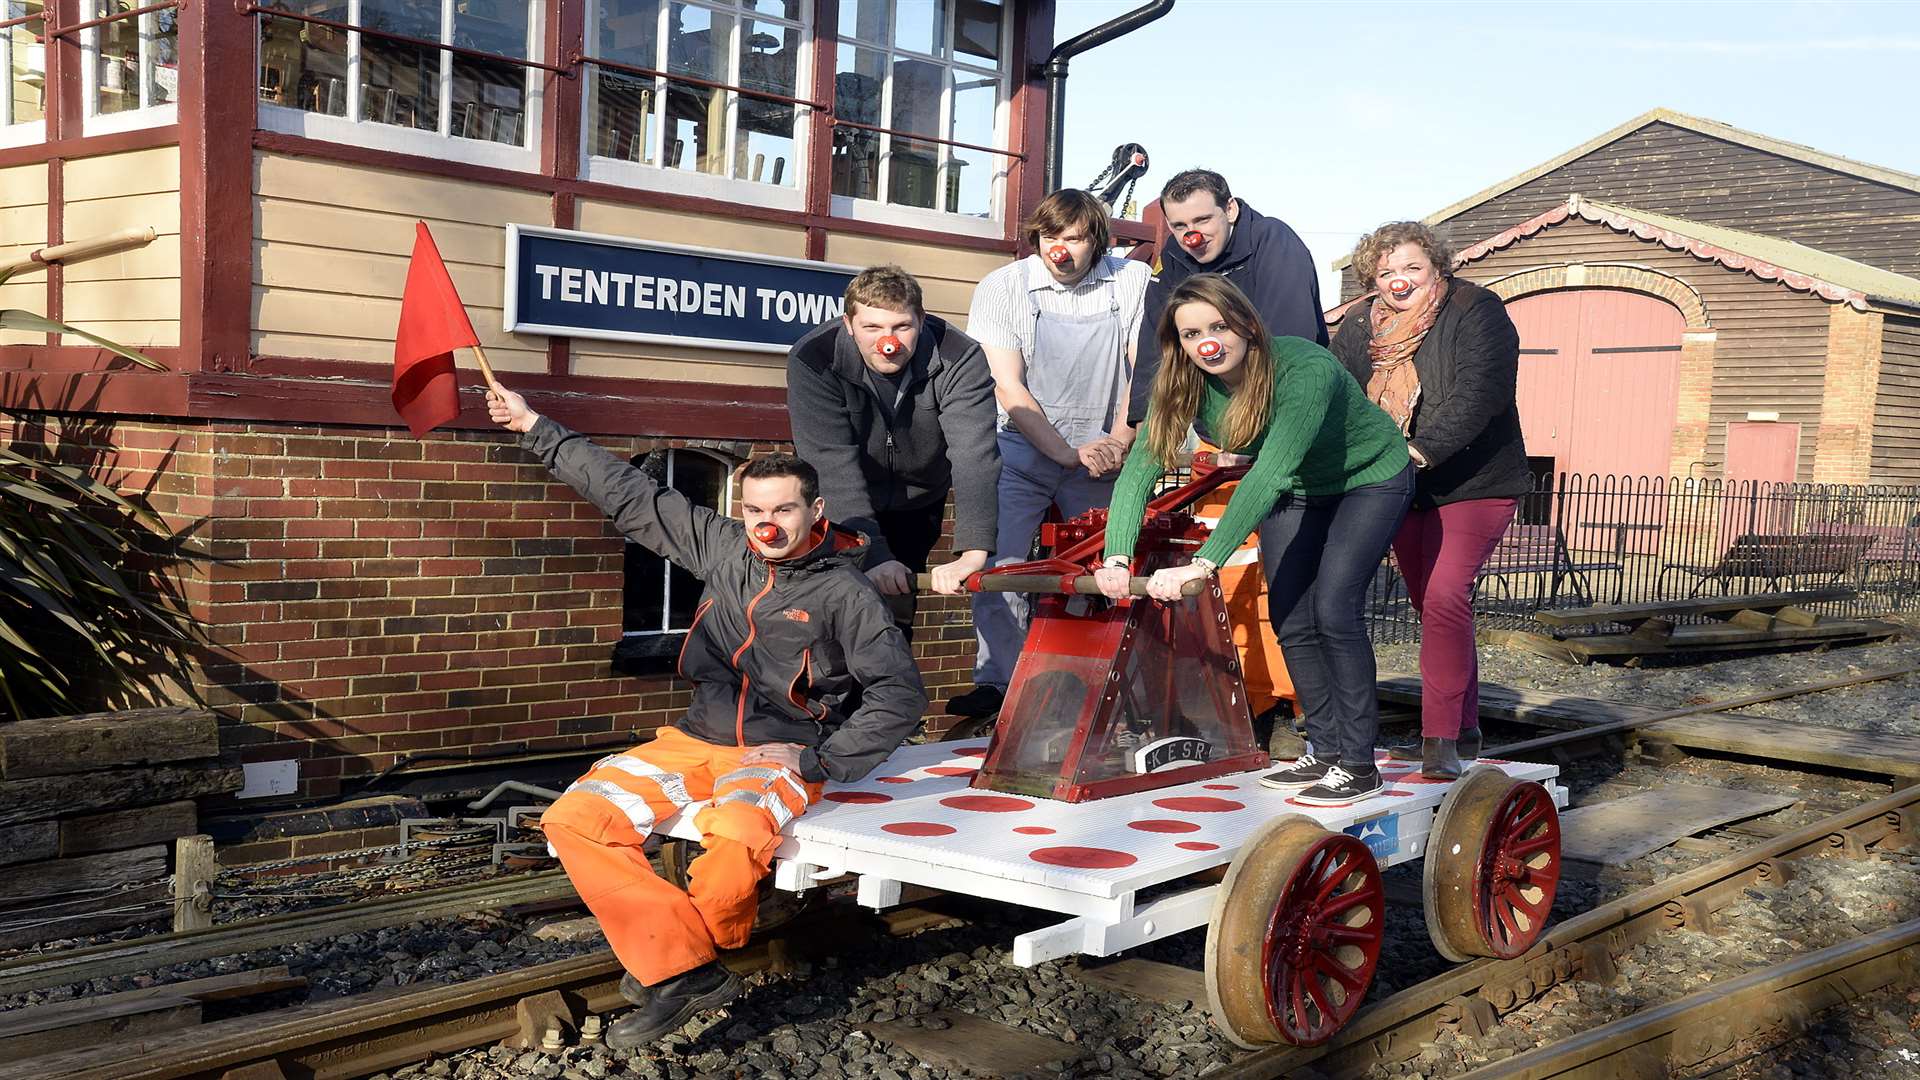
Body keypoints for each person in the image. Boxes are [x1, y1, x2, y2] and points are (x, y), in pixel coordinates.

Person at [487, 385, 927, 1050]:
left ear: (815, 510)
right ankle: (685, 970)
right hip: (692, 739)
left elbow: (899, 695)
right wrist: (533, 425)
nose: (766, 523)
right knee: (575, 818)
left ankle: (684, 963)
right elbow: (629, 494)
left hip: (781, 750)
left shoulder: (846, 593)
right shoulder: (723, 549)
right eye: (754, 509)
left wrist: (817, 761)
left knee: (729, 851)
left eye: (783, 509)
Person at [1095, 274, 1412, 806]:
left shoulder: (1303, 368)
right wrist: (1117, 553)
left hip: (1368, 477)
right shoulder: (1184, 381)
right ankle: (1325, 749)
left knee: (1334, 607)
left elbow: (1268, 473)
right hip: (1301, 485)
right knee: (1290, 614)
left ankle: (1360, 763)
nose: (1207, 343)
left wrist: (1204, 563)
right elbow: (1141, 467)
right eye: (1192, 333)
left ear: (1245, 324)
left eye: (1217, 327)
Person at [944, 189, 1151, 719]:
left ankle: (1101, 685)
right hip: (1023, 448)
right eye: (1050, 237)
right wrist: (1063, 453)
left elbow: (1141, 369)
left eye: (1075, 238)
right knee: (1002, 564)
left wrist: (1118, 441)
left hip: (1107, 451)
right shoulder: (1003, 286)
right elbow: (1008, 386)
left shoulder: (1130, 282)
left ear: (1097, 243)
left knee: (1105, 570)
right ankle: (999, 684)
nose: (1061, 249)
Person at [1331, 222, 1528, 779]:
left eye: (1410, 268)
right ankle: (1466, 724)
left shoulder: (1475, 309)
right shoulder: (1358, 326)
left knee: (1445, 595)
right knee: (1431, 605)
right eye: (1386, 272)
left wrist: (1420, 450)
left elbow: (1481, 393)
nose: (1398, 281)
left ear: (1436, 267)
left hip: (1473, 480)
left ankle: (1439, 737)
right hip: (1397, 484)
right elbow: (1339, 392)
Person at [787, 265, 1000, 636]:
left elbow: (974, 452)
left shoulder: (960, 357)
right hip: (843, 503)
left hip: (918, 501)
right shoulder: (814, 358)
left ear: (921, 320)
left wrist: (974, 549)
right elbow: (830, 461)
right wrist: (872, 553)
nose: (889, 342)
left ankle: (889, 687)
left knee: (894, 613)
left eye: (902, 327)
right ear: (848, 324)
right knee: (835, 610)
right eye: (872, 328)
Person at [1128, 169, 1327, 427]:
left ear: (1230, 210)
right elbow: (1155, 340)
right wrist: (1145, 420)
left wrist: (1253, 423)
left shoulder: (1273, 241)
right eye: (1180, 226)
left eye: (1202, 220)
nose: (1192, 236)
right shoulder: (1174, 255)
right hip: (1216, 419)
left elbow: (1288, 339)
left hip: (1283, 411)